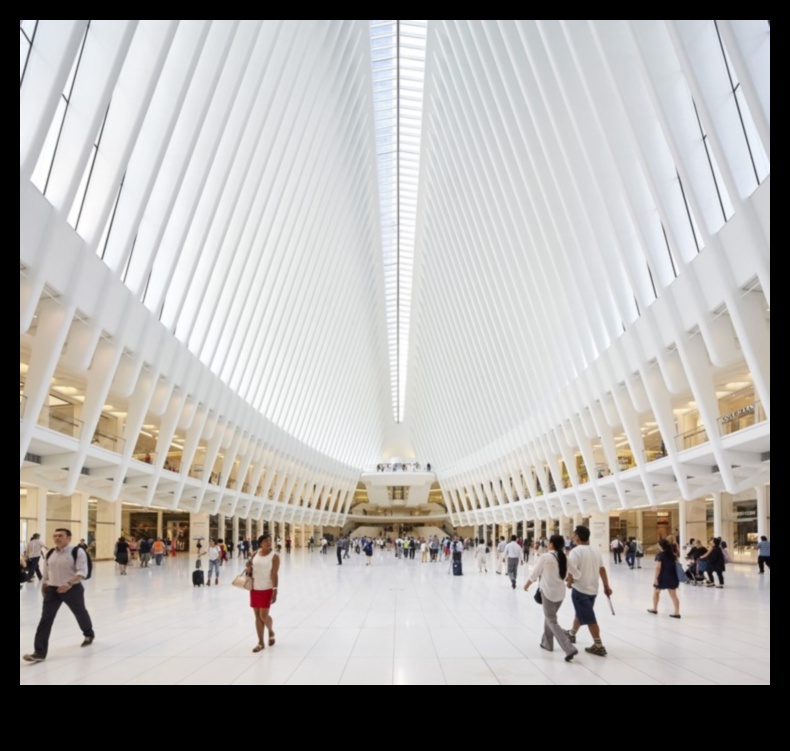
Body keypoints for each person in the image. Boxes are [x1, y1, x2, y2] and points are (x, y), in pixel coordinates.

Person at [23, 528, 95, 662]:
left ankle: (88, 633)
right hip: (52, 590)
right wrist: (44, 585)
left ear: (69, 538)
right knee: (46, 619)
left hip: (72, 589)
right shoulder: (50, 552)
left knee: (80, 613)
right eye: (55, 535)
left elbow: (82, 572)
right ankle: (39, 652)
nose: (57, 538)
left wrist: (68, 583)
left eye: (60, 535)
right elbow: (46, 572)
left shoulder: (77, 551)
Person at [523, 534, 578, 661]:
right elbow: (576, 573)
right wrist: (570, 580)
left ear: (552, 544)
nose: (547, 543)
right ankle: (547, 643)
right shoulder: (565, 557)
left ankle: (568, 647)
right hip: (560, 594)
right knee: (550, 617)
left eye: (549, 542)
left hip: (548, 593)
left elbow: (536, 572)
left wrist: (527, 584)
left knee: (551, 620)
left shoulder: (545, 557)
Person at [564, 525, 612, 657]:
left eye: (574, 535)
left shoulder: (576, 551)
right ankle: (572, 634)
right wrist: (606, 586)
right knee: (581, 613)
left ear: (578, 537)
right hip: (593, 589)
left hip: (580, 589)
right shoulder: (595, 550)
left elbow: (571, 569)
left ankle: (598, 645)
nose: (573, 537)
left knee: (590, 618)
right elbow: (602, 569)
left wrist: (568, 582)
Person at [245, 534, 279, 653]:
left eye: (270, 541)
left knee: (263, 616)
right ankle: (260, 642)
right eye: (265, 541)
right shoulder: (255, 554)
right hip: (254, 588)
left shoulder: (274, 557)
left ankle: (270, 630)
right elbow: (249, 572)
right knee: (257, 616)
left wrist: (275, 590)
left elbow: (274, 574)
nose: (268, 543)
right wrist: (248, 568)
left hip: (267, 588)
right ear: (260, 543)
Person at [647, 539, 681, 618]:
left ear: (661, 546)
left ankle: (654, 608)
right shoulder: (673, 554)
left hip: (663, 577)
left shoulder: (660, 555)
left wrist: (655, 578)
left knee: (656, 592)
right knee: (673, 595)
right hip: (672, 576)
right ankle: (677, 612)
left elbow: (658, 567)